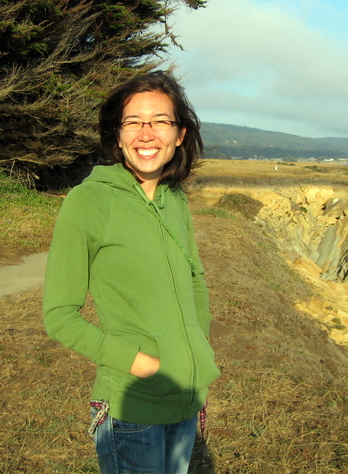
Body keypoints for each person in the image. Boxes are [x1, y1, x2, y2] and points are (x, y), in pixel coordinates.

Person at [43, 71, 219, 474]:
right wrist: (141, 364)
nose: (146, 133)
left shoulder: (175, 198)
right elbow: (59, 316)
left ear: (180, 134)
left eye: (160, 121)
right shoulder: (88, 201)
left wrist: (198, 346)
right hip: (131, 406)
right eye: (133, 122)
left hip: (185, 396)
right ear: (117, 135)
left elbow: (195, 279)